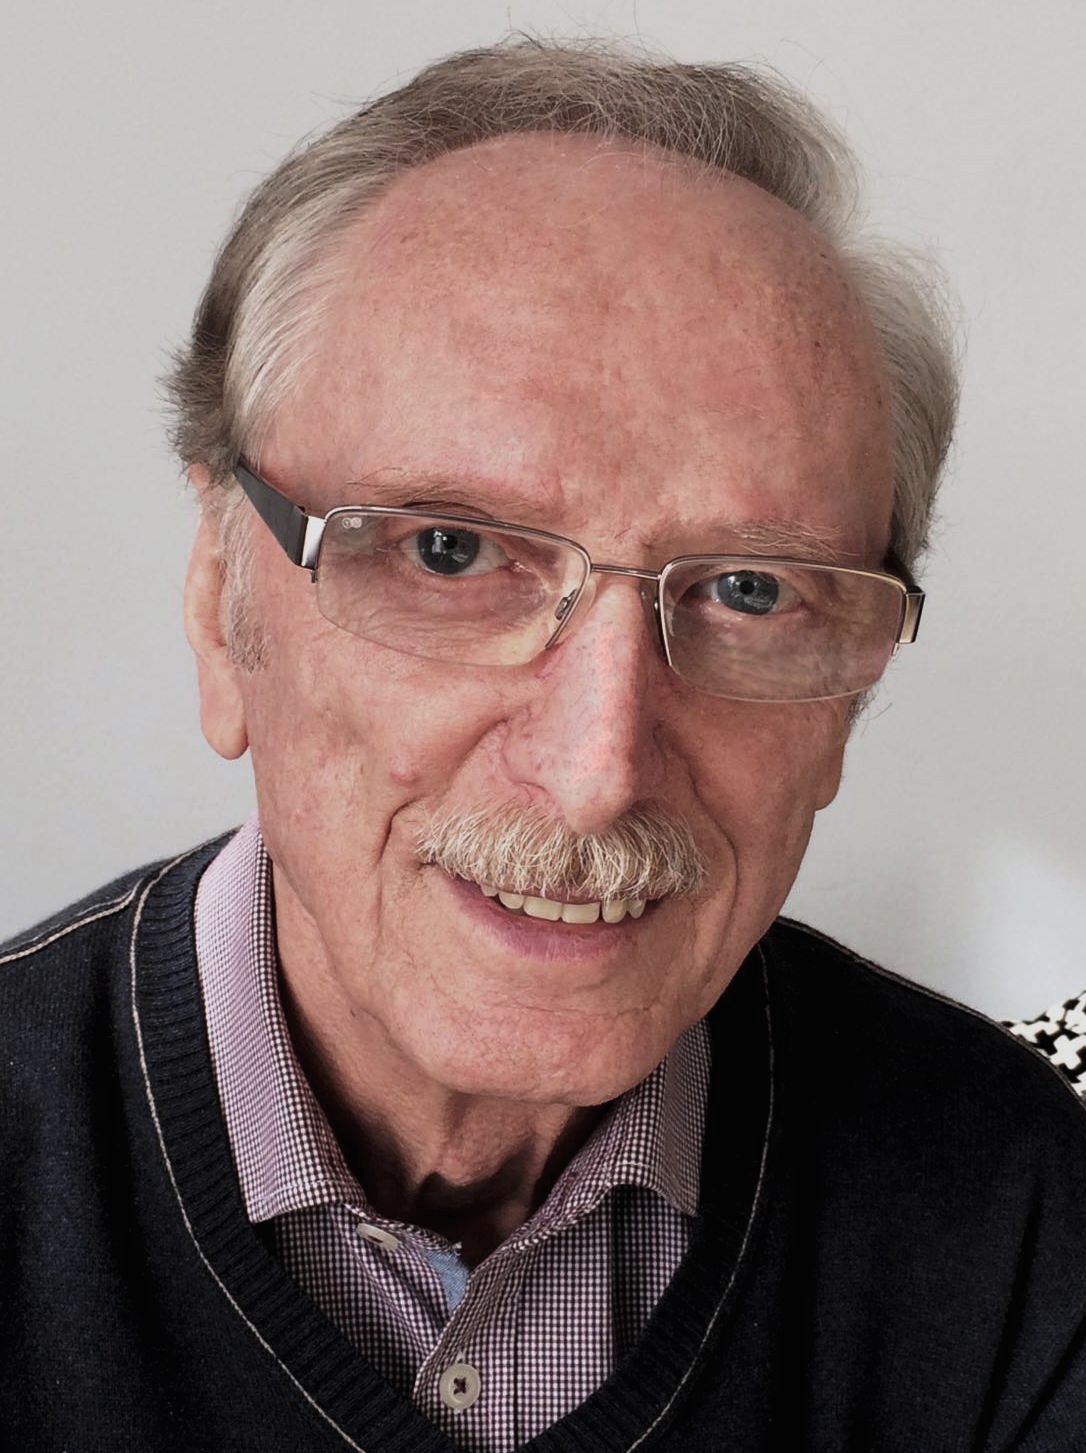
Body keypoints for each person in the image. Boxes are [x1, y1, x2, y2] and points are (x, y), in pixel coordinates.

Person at [3, 39, 1086, 1452]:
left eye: (749, 589)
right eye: (449, 553)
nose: (596, 773)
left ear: (847, 706)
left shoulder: (1026, 1217)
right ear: (222, 602)